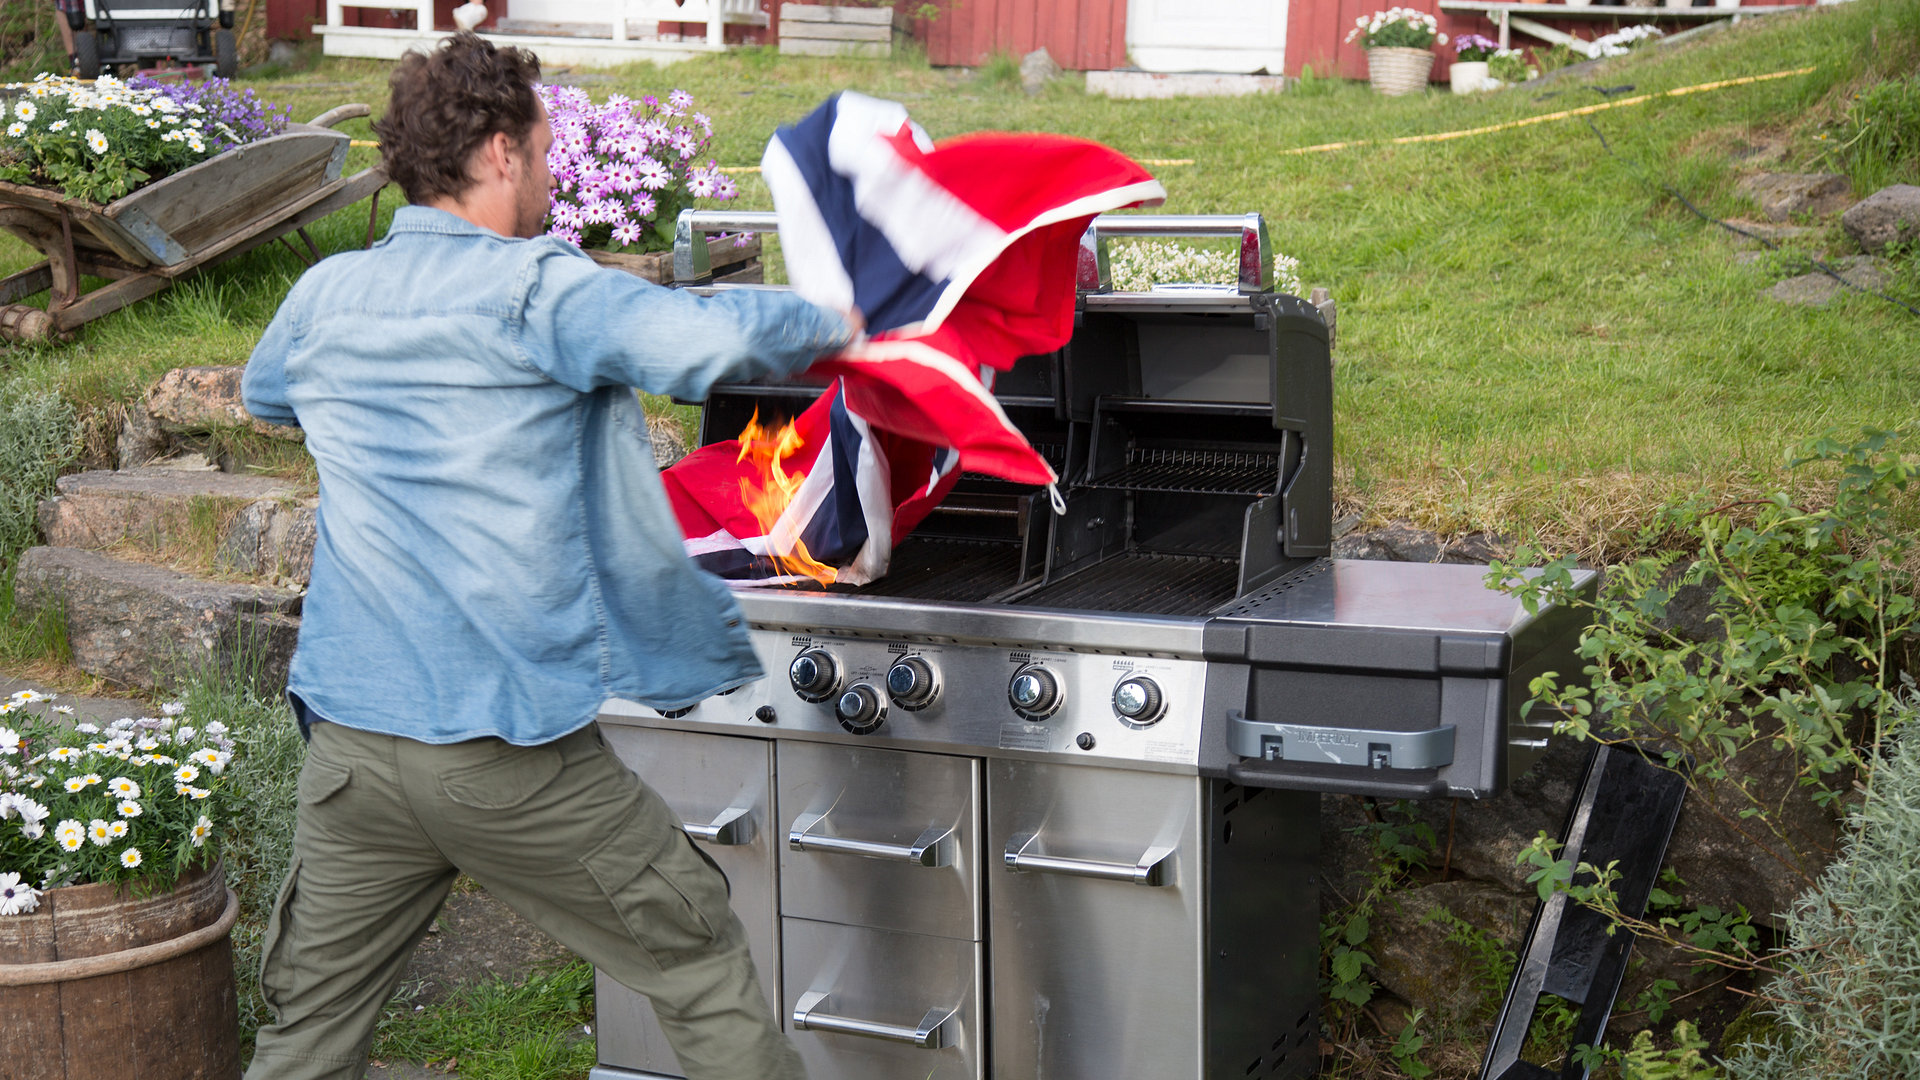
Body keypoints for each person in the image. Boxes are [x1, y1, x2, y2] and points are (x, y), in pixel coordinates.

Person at [239, 32, 852, 1080]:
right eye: (544, 145)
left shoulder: (324, 296)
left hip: (351, 748)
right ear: (497, 153)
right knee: (696, 957)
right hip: (503, 751)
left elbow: (266, 394)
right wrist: (839, 319)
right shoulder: (541, 292)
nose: (553, 171)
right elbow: (697, 340)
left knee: (306, 1040)